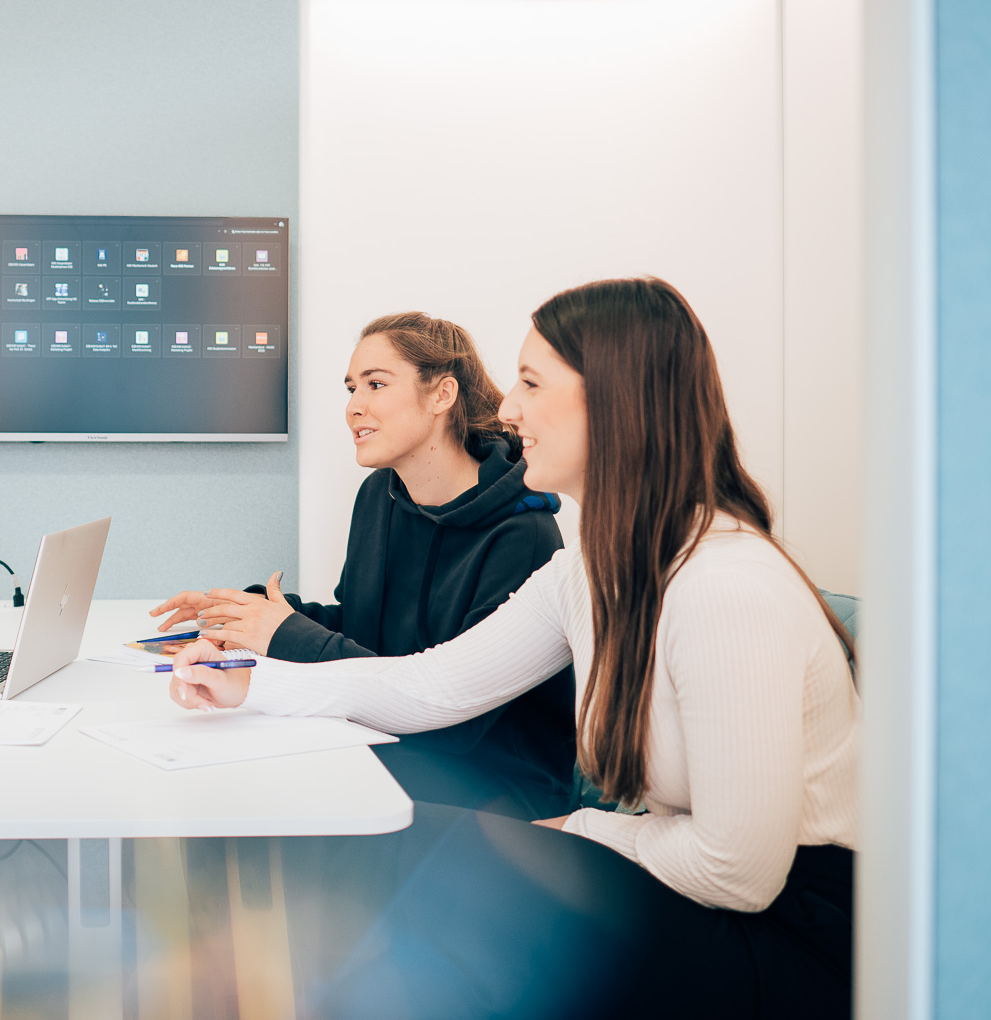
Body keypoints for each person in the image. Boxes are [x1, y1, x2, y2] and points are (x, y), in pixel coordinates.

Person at [166, 278, 859, 1018]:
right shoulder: (590, 566)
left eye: (532, 382)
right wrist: (251, 683)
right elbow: (432, 686)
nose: (507, 407)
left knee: (438, 869)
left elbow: (738, 871)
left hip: (790, 932)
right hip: (682, 880)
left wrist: (581, 829)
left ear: (616, 399)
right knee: (393, 839)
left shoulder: (725, 586)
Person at [150, 311, 572, 817]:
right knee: (214, 754)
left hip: (491, 780)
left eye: (375, 384)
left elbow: (454, 721)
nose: (354, 407)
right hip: (393, 740)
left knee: (255, 780)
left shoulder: (523, 533)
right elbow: (361, 625)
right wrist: (244, 616)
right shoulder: (380, 495)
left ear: (442, 395)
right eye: (352, 388)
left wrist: (284, 635)